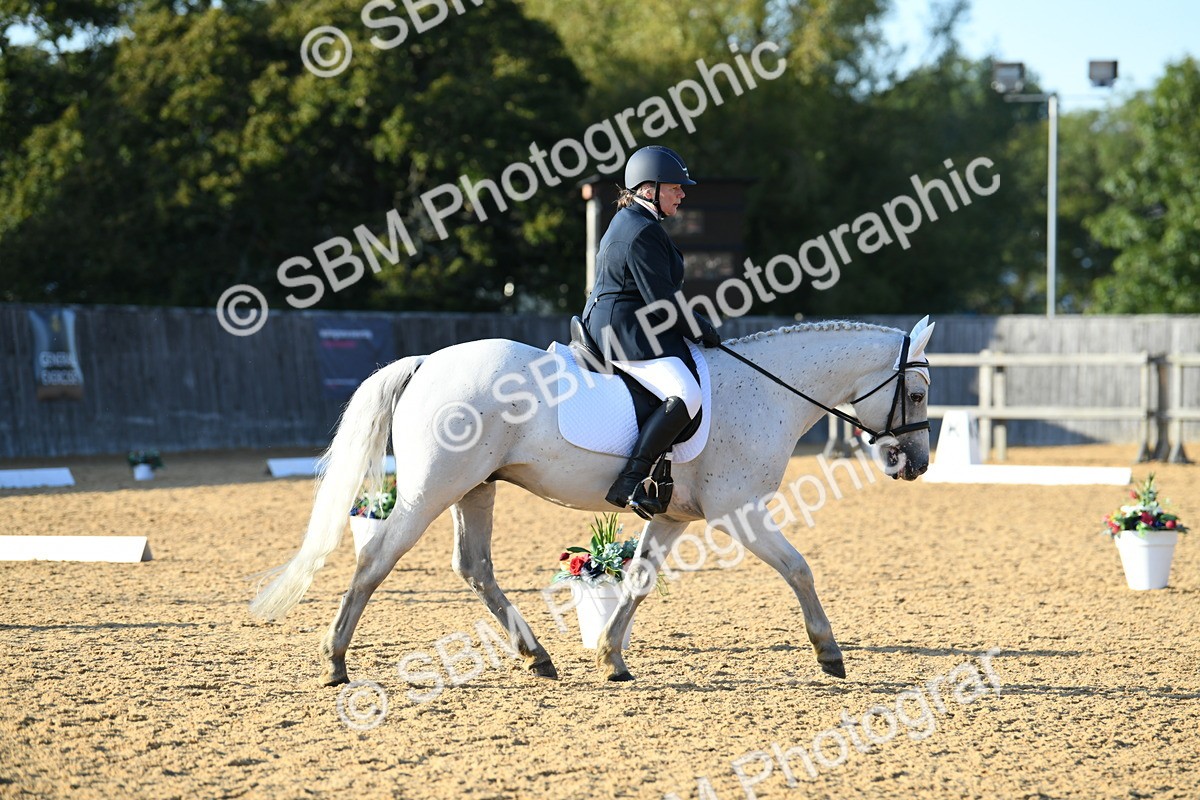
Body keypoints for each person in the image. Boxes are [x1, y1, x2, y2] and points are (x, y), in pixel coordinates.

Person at [582, 145, 721, 518]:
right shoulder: (642, 231)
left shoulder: (632, 221)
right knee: (686, 392)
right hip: (623, 329)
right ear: (649, 190)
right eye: (675, 187)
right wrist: (700, 327)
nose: (682, 193)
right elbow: (662, 300)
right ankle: (631, 478)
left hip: (625, 321)